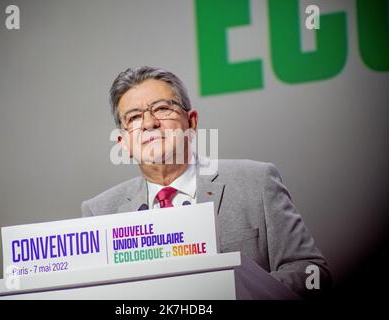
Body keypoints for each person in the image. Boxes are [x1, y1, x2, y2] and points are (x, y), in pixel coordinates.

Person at [81, 66, 331, 298]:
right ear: (123, 144)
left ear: (192, 122)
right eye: (134, 117)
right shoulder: (101, 212)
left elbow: (313, 274)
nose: (149, 123)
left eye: (162, 109)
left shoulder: (256, 182)